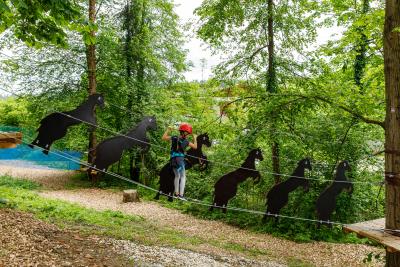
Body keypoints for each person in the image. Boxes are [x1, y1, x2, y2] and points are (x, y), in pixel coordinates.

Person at [162, 123, 197, 199]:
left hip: (173, 160)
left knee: (177, 176)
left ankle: (177, 194)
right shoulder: (186, 141)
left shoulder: (174, 137)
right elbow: (195, 147)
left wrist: (168, 130)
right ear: (184, 132)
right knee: (183, 177)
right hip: (180, 160)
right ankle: (181, 195)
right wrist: (195, 138)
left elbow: (164, 137)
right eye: (187, 133)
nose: (187, 135)